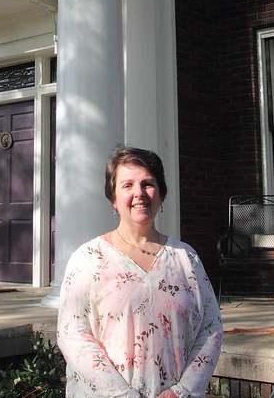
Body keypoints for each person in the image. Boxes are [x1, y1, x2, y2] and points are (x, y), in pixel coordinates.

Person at [57, 145, 223, 398]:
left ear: (161, 193)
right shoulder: (88, 258)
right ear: (113, 198)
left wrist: (182, 392)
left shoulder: (185, 258)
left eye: (147, 183)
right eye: (127, 185)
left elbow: (210, 329)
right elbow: (73, 335)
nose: (139, 193)